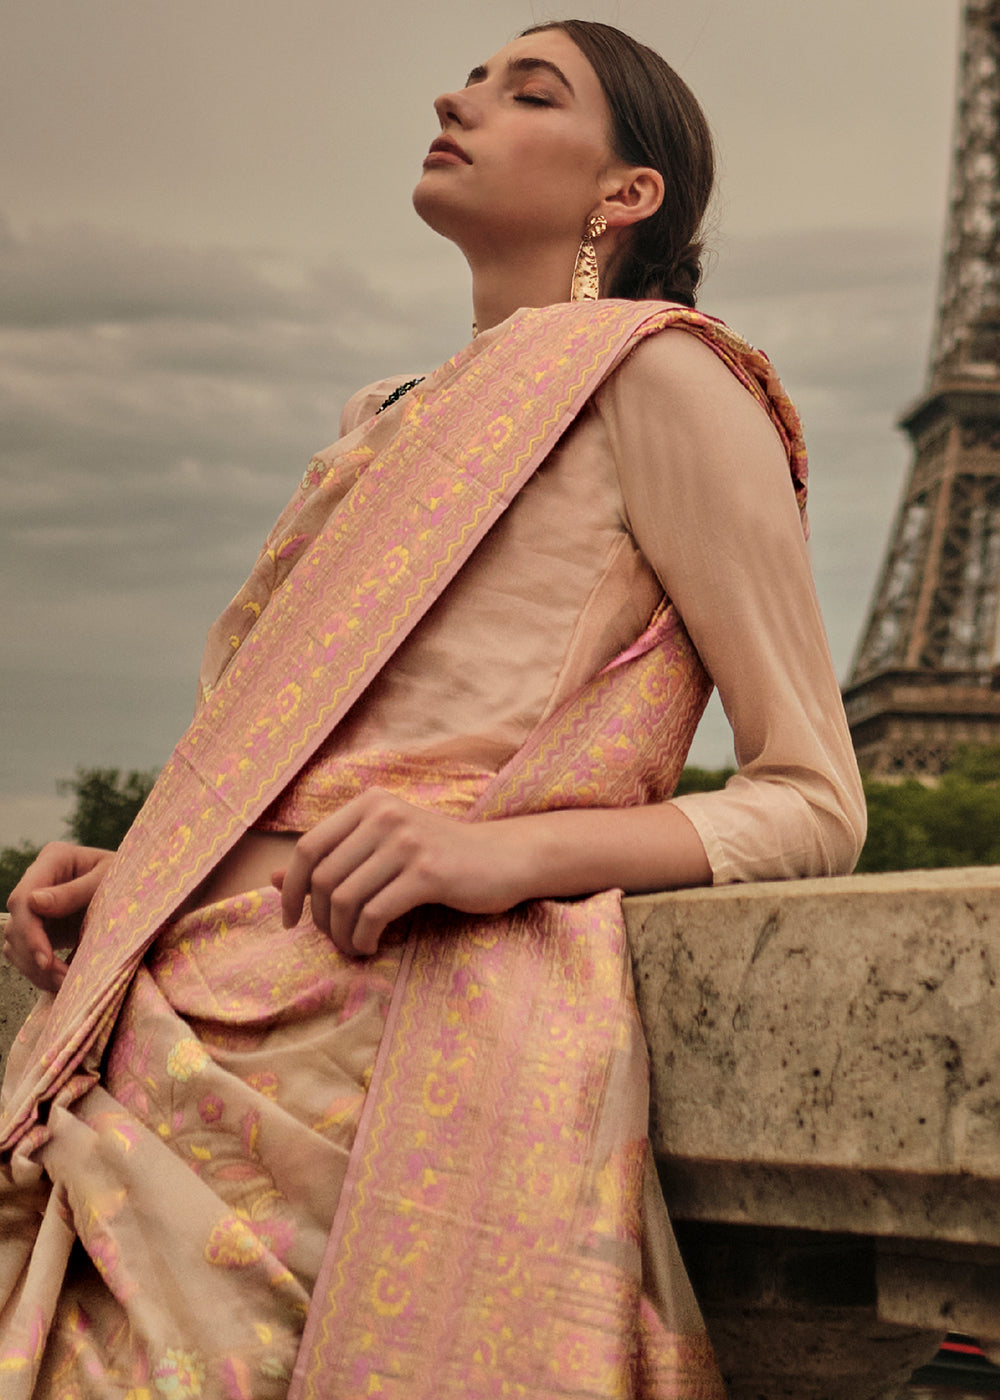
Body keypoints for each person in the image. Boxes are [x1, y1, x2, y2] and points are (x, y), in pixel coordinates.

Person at [0, 19, 865, 1399]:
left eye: (529, 91)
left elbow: (817, 800)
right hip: (166, 1020)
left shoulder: (662, 381)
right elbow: (328, 759)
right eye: (474, 77)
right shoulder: (382, 416)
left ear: (625, 193)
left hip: (377, 1066)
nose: (458, 99)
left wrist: (501, 852)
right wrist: (146, 867)